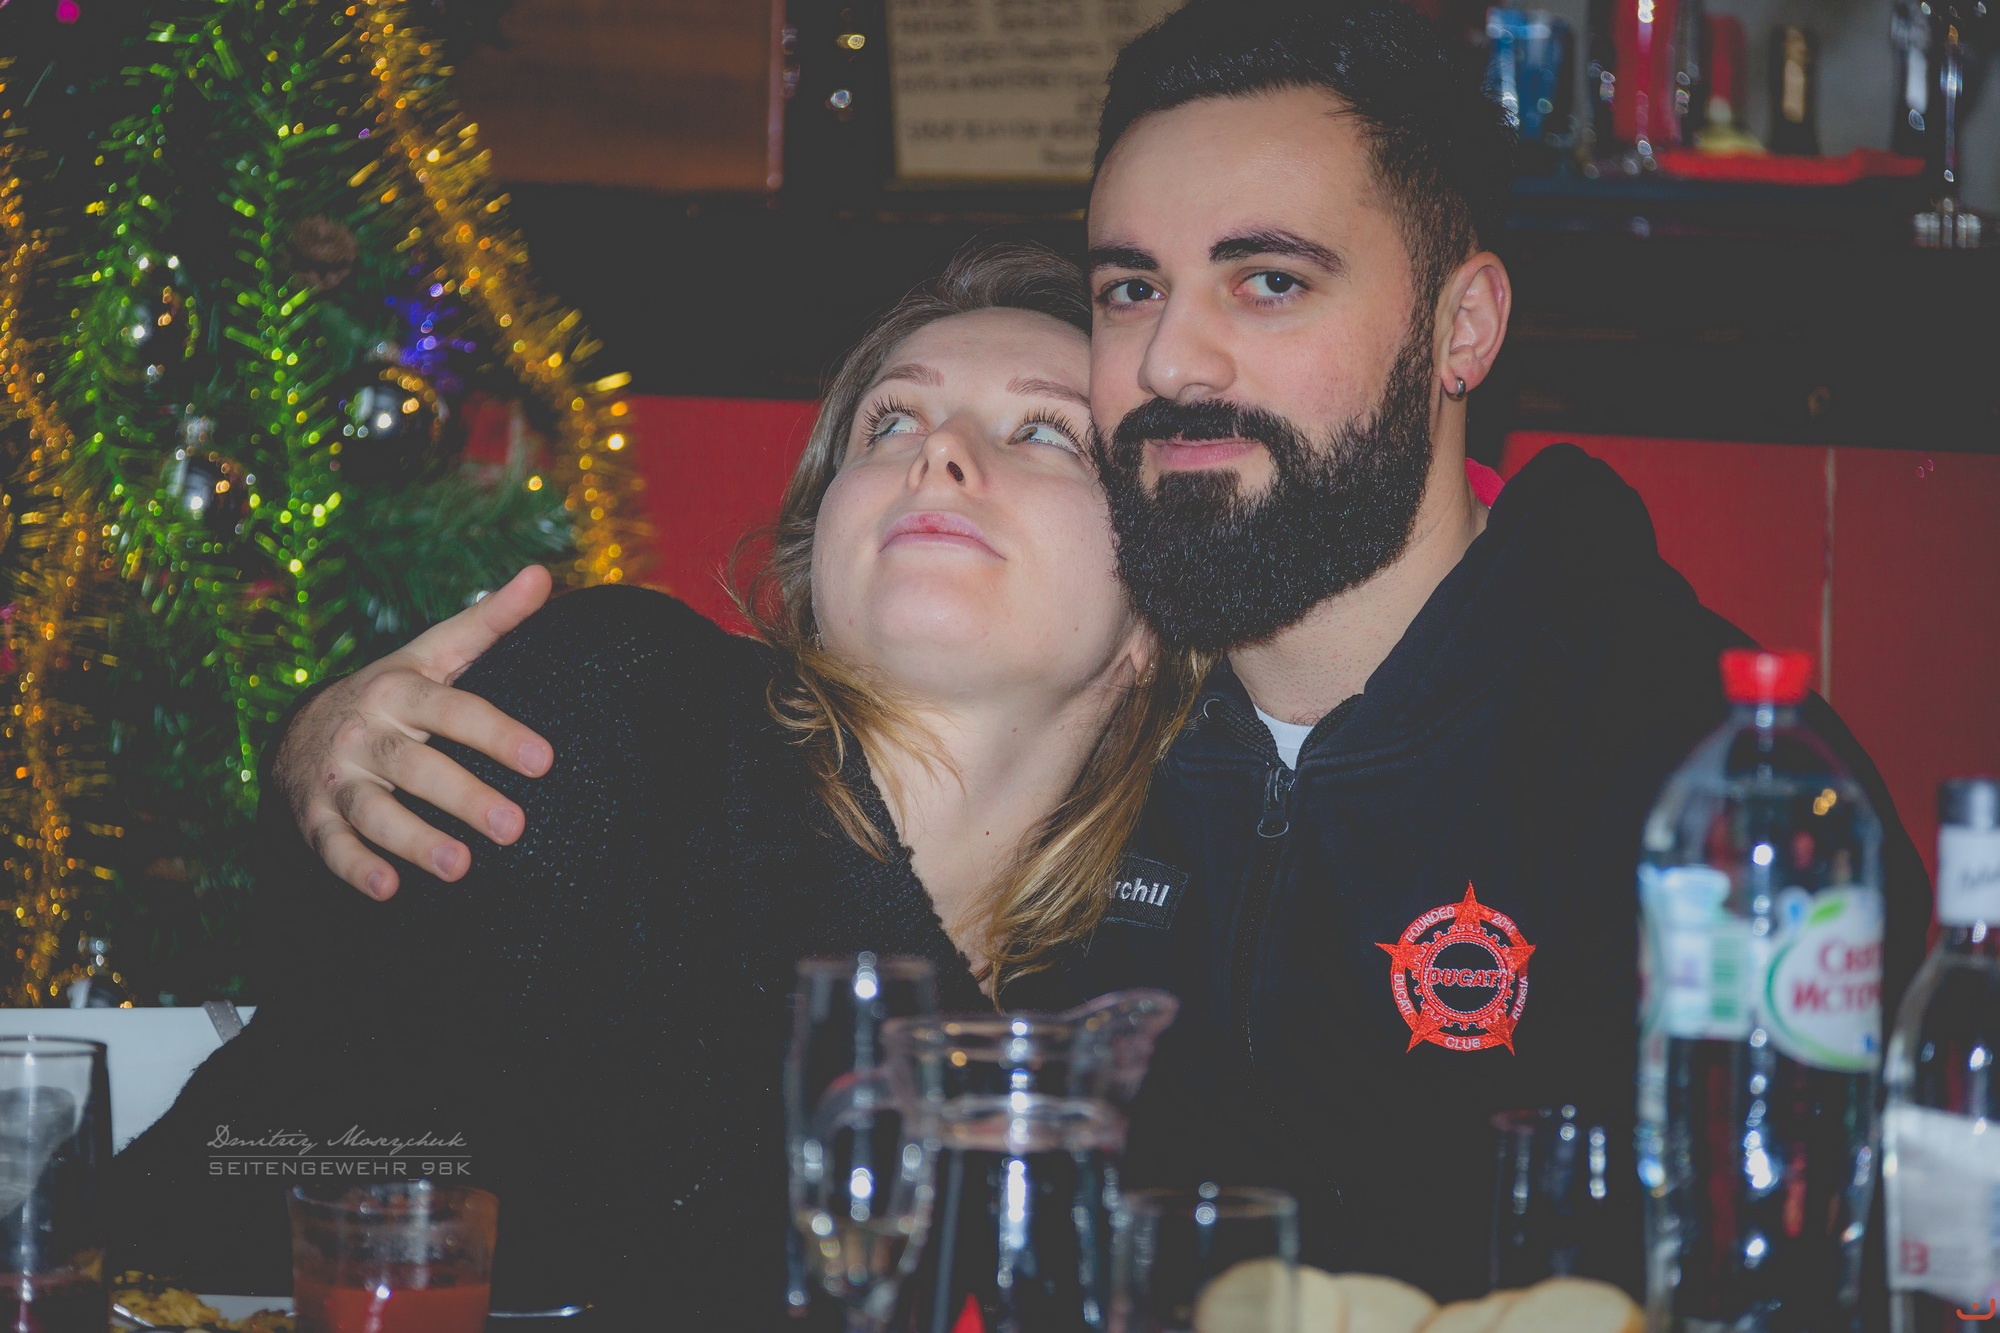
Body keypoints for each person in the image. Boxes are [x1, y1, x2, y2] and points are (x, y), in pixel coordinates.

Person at [272, 0, 1932, 1305]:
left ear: (1462, 326)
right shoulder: (1051, 726)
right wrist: (314, 757)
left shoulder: (1699, 782)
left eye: (1267, 281)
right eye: (1132, 288)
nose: (1176, 357)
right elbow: (339, 1123)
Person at [108, 242, 1209, 1325]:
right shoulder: (627, 706)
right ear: (818, 561)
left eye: (1045, 431)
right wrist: (307, 759)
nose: (940, 454)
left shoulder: (1139, 997)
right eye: (891, 423)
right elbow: (329, 1066)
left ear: (1153, 621)